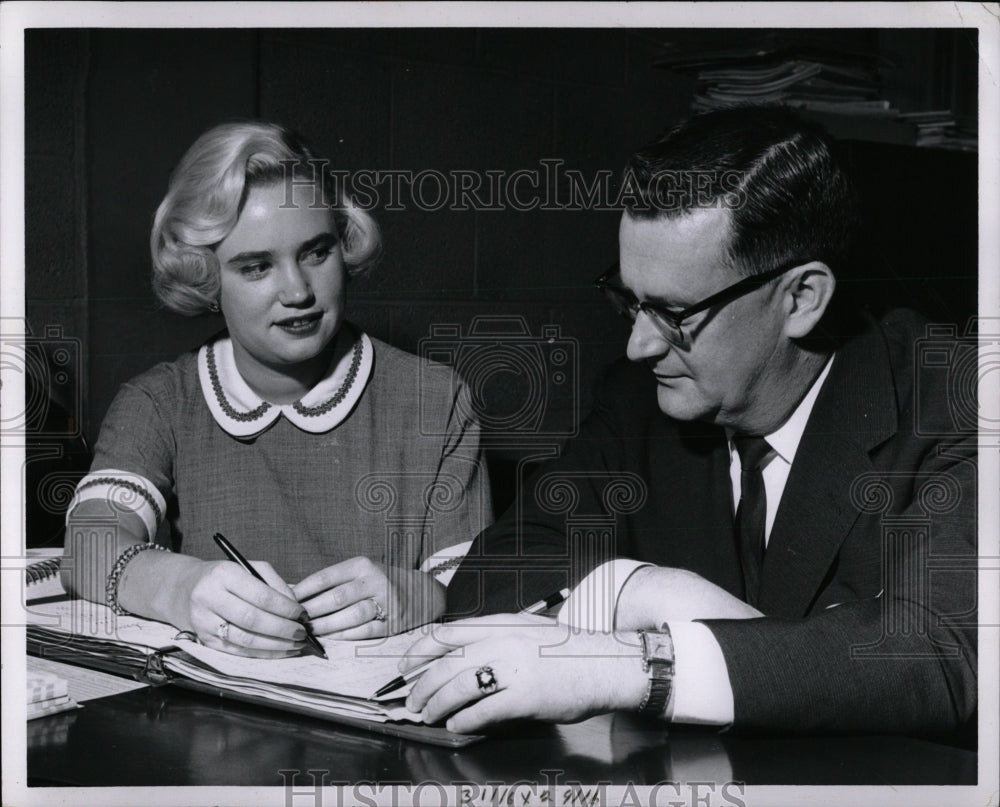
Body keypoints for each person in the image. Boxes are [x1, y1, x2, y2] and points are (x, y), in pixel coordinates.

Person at [401, 106, 977, 742]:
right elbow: (495, 575)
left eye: (674, 312)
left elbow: (943, 655)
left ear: (801, 298)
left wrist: (637, 667)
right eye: (630, 302)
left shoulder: (955, 401)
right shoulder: (641, 400)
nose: (639, 346)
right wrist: (640, 592)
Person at [62, 121, 491, 657]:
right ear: (206, 279)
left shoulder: (435, 397)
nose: (298, 292)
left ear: (344, 246)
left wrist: (422, 596)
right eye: (256, 266)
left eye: (315, 252)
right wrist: (180, 588)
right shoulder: (161, 402)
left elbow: (479, 587)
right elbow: (87, 547)